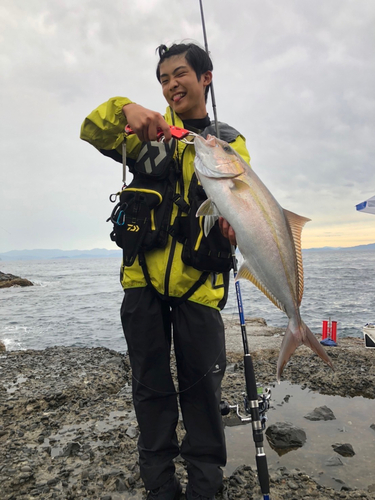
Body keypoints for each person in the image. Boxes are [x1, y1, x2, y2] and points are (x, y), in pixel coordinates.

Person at [80, 42, 250, 500]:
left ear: (205, 78)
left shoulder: (229, 142)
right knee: (150, 392)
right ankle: (160, 489)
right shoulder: (145, 129)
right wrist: (124, 106)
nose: (171, 84)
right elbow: (89, 130)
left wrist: (238, 226)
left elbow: (246, 202)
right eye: (162, 78)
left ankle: (204, 491)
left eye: (180, 74)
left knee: (203, 400)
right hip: (142, 285)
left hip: (199, 288)